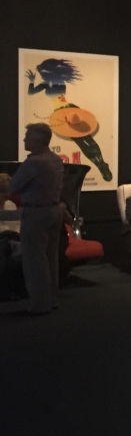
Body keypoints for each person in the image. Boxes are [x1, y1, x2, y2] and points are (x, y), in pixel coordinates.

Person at [6, 124, 63, 314]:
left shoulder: (34, 162)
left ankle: (39, 304)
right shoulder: (55, 159)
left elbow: (13, 186)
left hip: (36, 213)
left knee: (35, 260)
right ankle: (52, 299)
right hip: (54, 210)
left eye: (27, 136)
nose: (24, 140)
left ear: (37, 141)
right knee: (51, 257)